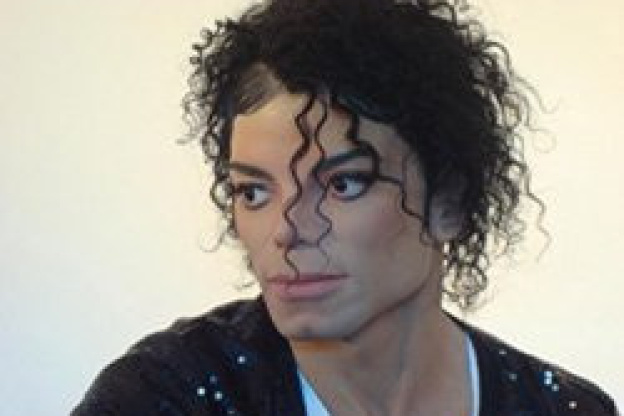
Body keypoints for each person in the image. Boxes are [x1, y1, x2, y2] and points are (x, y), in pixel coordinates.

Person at [71, 0, 618, 415]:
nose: (287, 230)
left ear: (448, 201)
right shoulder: (162, 397)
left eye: (343, 184)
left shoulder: (560, 409)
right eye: (253, 192)